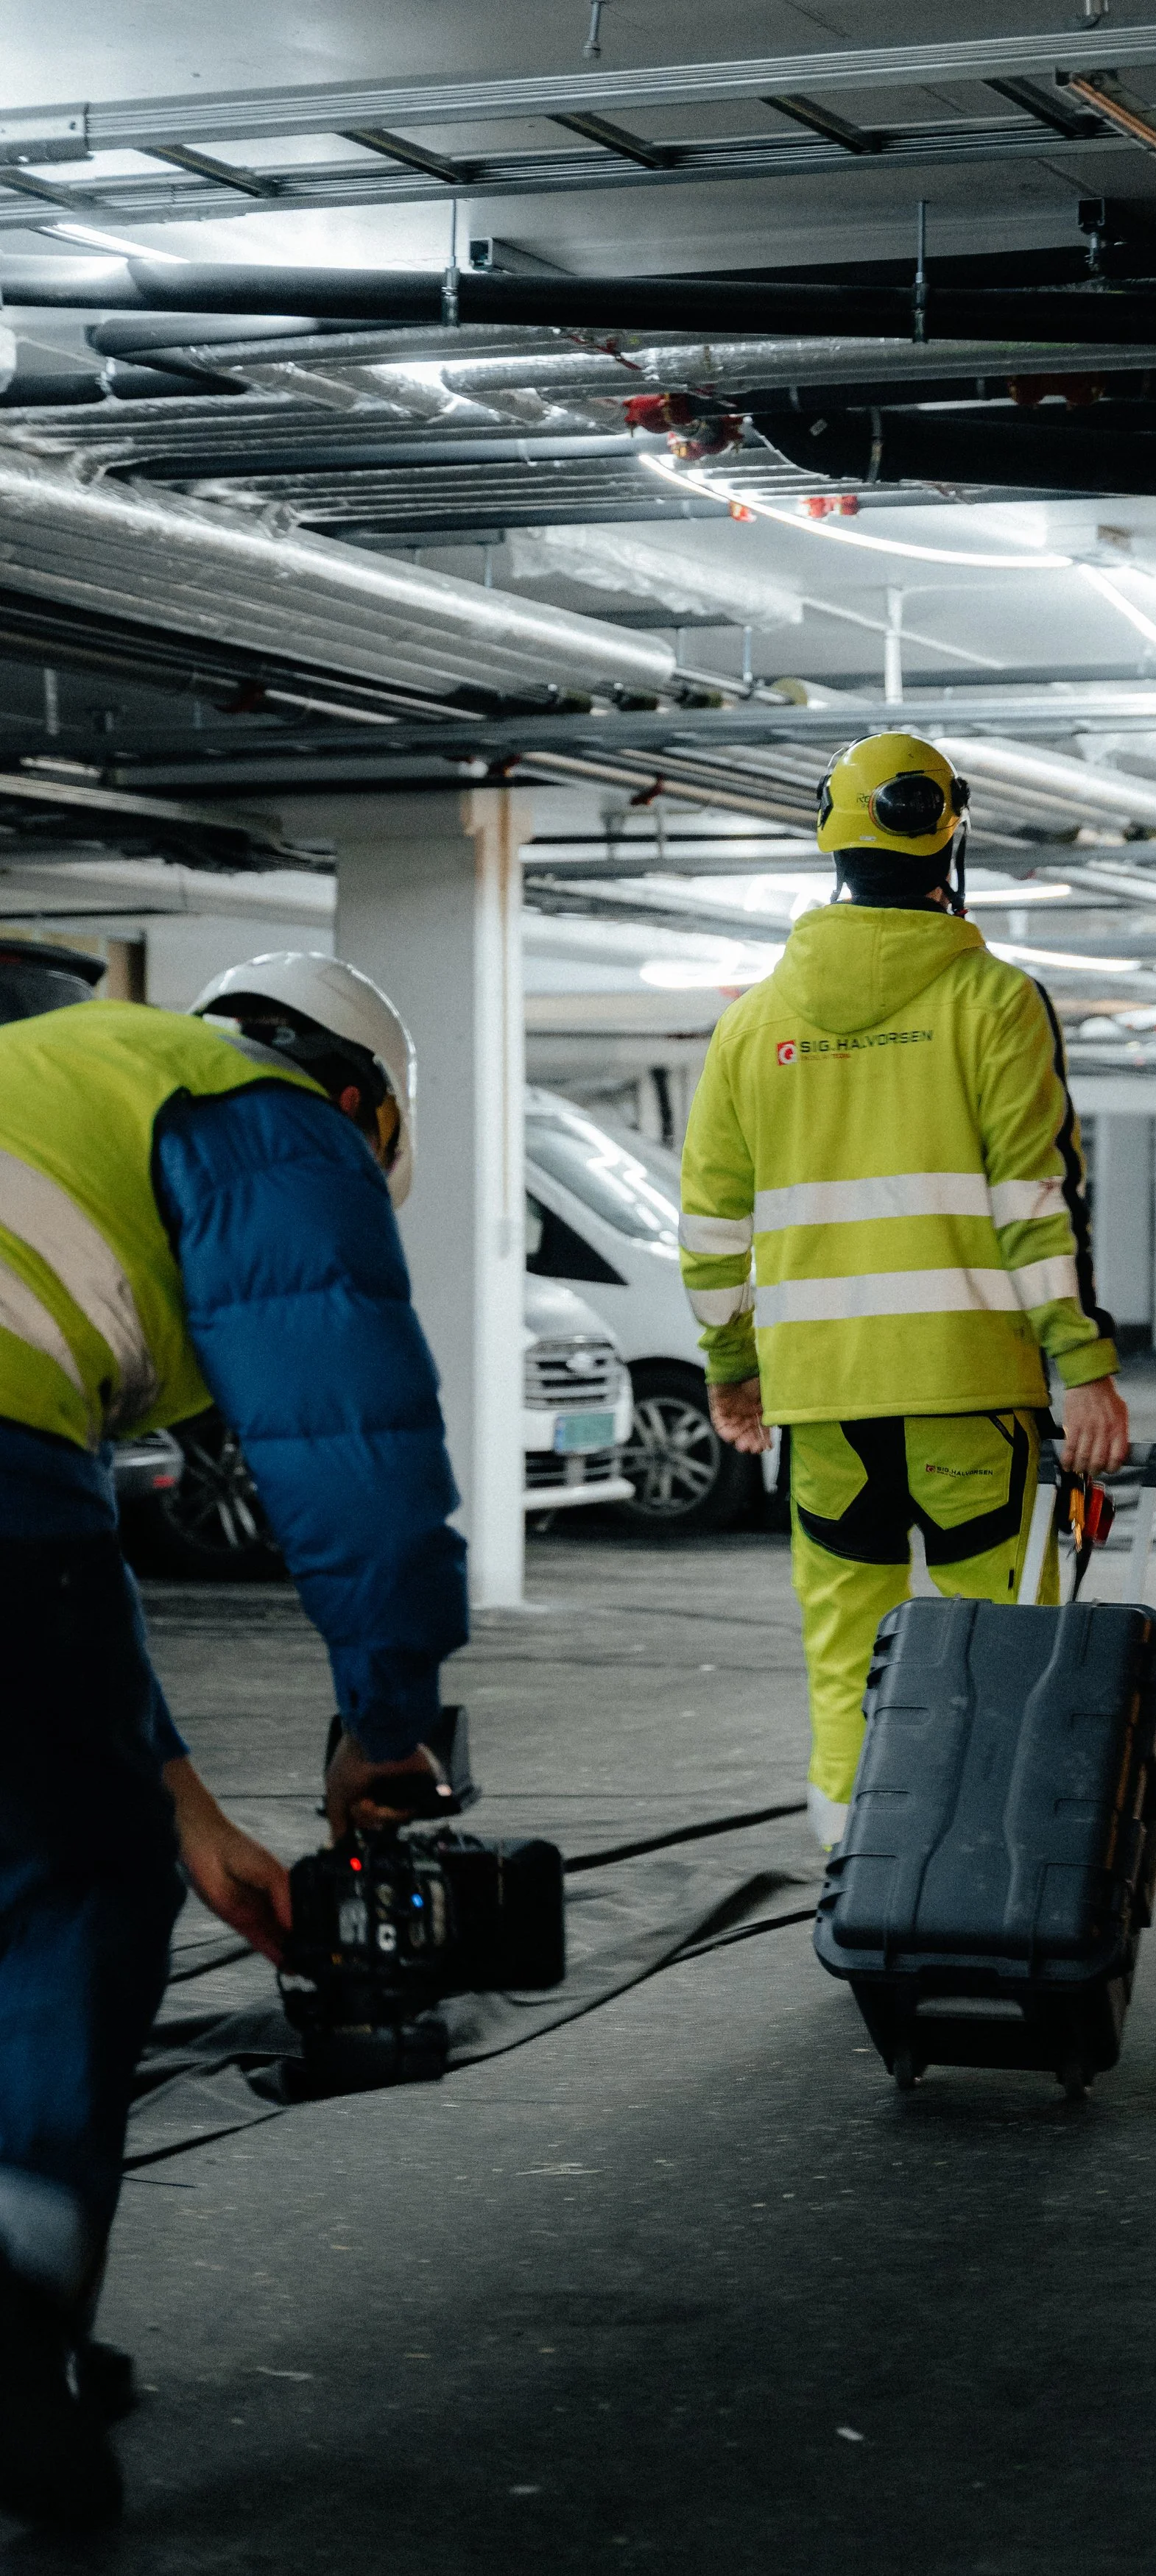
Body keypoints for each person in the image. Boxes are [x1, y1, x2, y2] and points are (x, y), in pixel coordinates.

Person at [0, 950, 466, 2527]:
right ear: (359, 1101)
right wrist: (386, 1725)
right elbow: (357, 1458)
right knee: (64, 1903)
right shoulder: (268, 1120)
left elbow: (63, 1596)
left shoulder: (68, 1070)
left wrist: (188, 1809)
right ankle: (11, 2340)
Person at [679, 731, 1131, 1847]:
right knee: (1003, 1640)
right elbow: (1039, 1206)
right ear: (949, 835)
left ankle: (854, 1868)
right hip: (970, 1390)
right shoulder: (993, 1002)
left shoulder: (751, 1024)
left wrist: (732, 1372)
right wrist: (1085, 1371)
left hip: (824, 1402)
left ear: (827, 835)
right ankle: (998, 1869)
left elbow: (707, 1233)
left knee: (848, 1650)